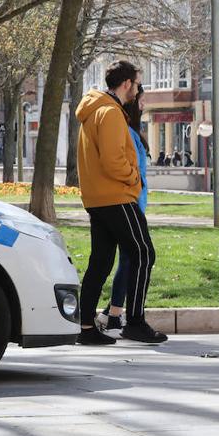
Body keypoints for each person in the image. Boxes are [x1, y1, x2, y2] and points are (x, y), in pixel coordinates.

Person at [74, 60, 167, 345]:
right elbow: (114, 161)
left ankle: (86, 326)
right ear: (126, 84)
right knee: (143, 253)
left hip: (96, 199)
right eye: (137, 85)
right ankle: (134, 322)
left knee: (101, 262)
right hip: (117, 197)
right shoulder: (110, 113)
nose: (137, 91)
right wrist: (133, 178)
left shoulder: (92, 111)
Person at [97, 85, 149, 336]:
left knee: (128, 259)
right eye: (140, 101)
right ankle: (119, 316)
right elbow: (121, 163)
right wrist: (133, 181)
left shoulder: (132, 131)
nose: (143, 106)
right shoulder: (124, 129)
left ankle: (112, 313)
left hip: (134, 201)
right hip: (128, 201)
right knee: (136, 256)